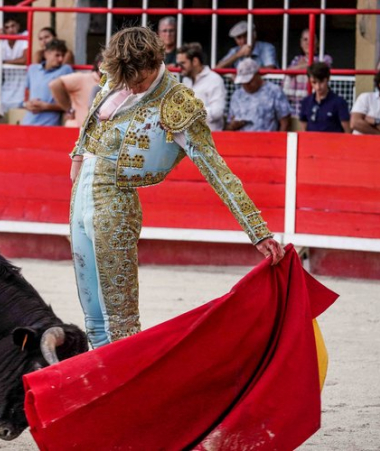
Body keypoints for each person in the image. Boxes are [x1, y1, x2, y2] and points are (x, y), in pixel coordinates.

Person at [68, 27, 283, 349]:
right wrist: (78, 153)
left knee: (120, 320)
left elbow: (216, 170)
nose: (128, 84)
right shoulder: (118, 78)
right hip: (80, 199)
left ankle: (128, 391)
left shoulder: (177, 102)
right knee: (93, 319)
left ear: (155, 63)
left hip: (114, 206)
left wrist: (258, 231)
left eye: (135, 79)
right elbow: (91, 122)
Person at [226, 58, 291, 132]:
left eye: (249, 82)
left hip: (267, 140)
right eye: (243, 83)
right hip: (240, 140)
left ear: (257, 75)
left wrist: (280, 141)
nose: (246, 85)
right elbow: (230, 124)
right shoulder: (237, 95)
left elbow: (285, 122)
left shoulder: (274, 91)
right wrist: (233, 126)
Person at [23, 39, 73, 126]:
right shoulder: (32, 69)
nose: (60, 59)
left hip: (49, 125)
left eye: (62, 55)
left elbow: (70, 104)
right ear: (46, 54)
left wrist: (46, 106)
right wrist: (26, 104)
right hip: (28, 123)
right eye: (57, 55)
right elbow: (26, 96)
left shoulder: (66, 69)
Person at [0, 16, 29, 111]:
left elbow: (25, 59)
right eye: (7, 27)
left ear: (18, 26)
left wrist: (2, 62)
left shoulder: (24, 36)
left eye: (13, 26)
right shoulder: (2, 42)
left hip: (24, 87)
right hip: (7, 89)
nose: (11, 30)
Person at [283, 29, 332, 116]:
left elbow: (320, 69)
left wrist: (301, 67)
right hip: (296, 107)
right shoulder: (297, 59)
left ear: (318, 43)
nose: (308, 42)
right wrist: (309, 65)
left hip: (317, 104)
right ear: (301, 43)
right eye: (305, 40)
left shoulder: (325, 58)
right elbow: (289, 72)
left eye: (312, 39)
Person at [178, 42, 226, 131]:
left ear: (195, 61)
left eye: (183, 63)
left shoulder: (214, 79)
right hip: (190, 137)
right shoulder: (186, 80)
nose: (180, 67)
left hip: (211, 137)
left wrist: (191, 113)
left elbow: (217, 112)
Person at [49, 53, 103, 128]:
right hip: (76, 130)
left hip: (96, 134)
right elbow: (55, 85)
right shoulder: (84, 78)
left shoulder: (113, 84)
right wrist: (69, 109)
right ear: (100, 64)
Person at [298, 63, 351, 133]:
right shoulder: (306, 102)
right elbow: (303, 129)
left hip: (333, 142)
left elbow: (347, 131)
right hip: (311, 142)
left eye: (321, 82)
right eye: (314, 82)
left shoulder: (339, 102)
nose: (318, 87)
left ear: (328, 79)